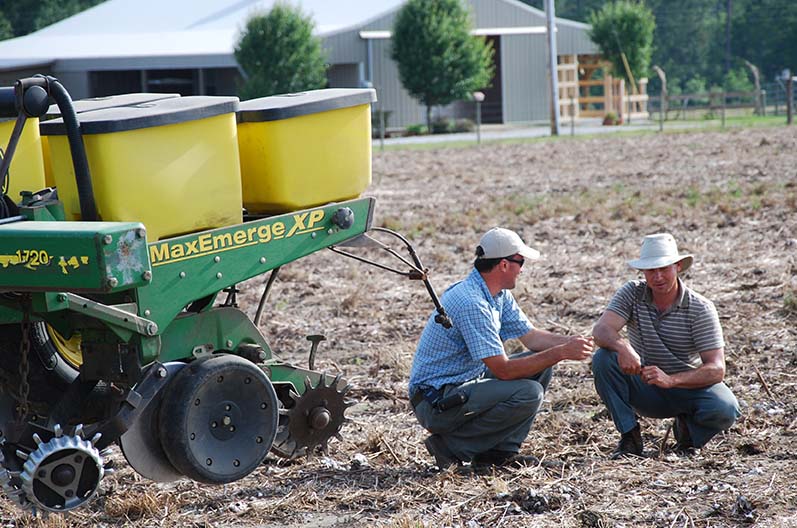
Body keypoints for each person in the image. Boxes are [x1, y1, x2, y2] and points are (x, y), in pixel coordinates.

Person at [408, 227, 594, 469]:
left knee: (541, 366)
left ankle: (499, 453)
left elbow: (532, 338)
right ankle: (451, 448)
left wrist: (571, 342)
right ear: (504, 265)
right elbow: (504, 370)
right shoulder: (472, 302)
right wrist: (561, 353)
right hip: (435, 401)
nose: (522, 268)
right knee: (529, 392)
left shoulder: (497, 294)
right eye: (520, 262)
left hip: (460, 385)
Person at [591, 233, 741, 458]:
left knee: (725, 407)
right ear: (643, 272)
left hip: (687, 387)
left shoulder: (700, 308)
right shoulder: (632, 292)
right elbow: (601, 330)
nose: (658, 276)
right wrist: (623, 348)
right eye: (651, 270)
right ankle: (630, 436)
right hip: (646, 383)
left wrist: (672, 380)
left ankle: (688, 433)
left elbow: (717, 369)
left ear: (678, 266)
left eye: (664, 268)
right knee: (603, 358)